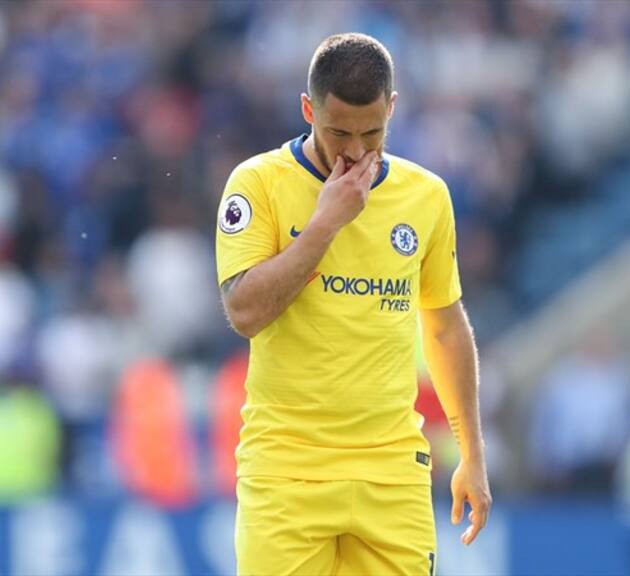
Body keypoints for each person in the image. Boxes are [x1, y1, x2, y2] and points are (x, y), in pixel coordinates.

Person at [215, 32, 491, 575]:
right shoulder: (258, 183)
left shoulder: (426, 195)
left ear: (392, 108)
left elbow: (444, 328)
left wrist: (473, 455)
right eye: (338, 132)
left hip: (391, 471)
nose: (358, 151)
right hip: (286, 468)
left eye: (373, 132)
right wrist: (324, 225)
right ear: (307, 109)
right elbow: (244, 313)